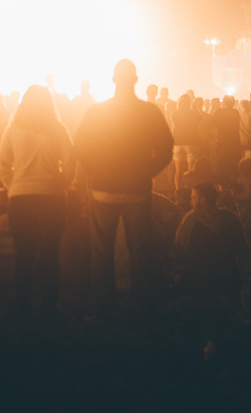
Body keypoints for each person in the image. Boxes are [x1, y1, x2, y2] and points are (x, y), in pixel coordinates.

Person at [74, 59, 174, 313]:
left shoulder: (98, 112)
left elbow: (81, 146)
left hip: (103, 190)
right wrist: (147, 173)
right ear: (136, 80)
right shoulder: (149, 112)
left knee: (101, 252)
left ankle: (103, 304)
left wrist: (94, 171)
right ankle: (142, 304)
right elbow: (166, 149)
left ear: (113, 80)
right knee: (141, 250)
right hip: (138, 191)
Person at [0, 85, 72, 317]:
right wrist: (60, 184)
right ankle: (49, 305)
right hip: (52, 199)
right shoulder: (58, 129)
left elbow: (1, 167)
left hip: (21, 200)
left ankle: (23, 305)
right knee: (50, 254)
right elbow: (70, 165)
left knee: (24, 255)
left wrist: (15, 186)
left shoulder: (13, 129)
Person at [173, 182, 250, 296]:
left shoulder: (191, 219)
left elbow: (180, 248)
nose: (191, 201)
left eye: (193, 198)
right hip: (228, 278)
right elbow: (245, 251)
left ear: (203, 200)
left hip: (199, 280)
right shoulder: (232, 218)